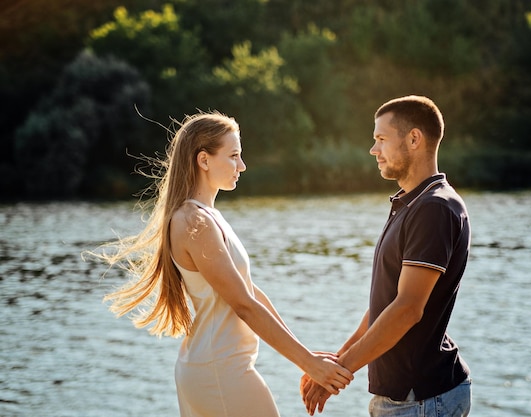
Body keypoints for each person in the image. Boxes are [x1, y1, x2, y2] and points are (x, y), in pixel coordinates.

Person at [98, 111, 353, 417]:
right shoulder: (195, 220)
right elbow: (243, 304)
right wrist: (309, 365)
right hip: (219, 371)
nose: (242, 166)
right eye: (233, 156)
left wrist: (307, 355)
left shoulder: (207, 216)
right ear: (203, 160)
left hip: (216, 367)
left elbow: (252, 293)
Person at [301, 95, 471, 417]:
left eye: (381, 139)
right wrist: (337, 363)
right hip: (407, 398)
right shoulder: (413, 203)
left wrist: (339, 372)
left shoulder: (434, 208)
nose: (373, 150)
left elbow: (407, 309)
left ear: (414, 139)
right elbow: (385, 305)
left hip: (420, 399)